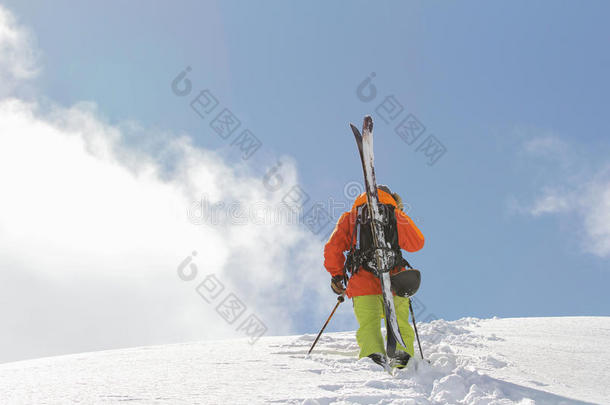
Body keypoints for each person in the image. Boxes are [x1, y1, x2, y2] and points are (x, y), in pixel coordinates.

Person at [323, 185, 424, 369]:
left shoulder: (351, 217)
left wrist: (337, 276)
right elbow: (417, 243)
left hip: (362, 283)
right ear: (392, 198)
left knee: (368, 324)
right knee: (398, 319)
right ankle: (402, 357)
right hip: (395, 280)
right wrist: (399, 214)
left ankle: (373, 357)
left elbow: (333, 249)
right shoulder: (395, 215)